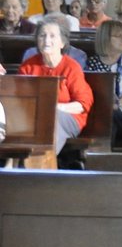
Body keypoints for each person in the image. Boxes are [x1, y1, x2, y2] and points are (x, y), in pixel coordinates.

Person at [18, 15, 92, 155]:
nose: (47, 40)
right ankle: (15, 165)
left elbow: (83, 104)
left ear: (62, 43)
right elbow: (21, 100)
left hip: (67, 118)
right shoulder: (28, 66)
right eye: (42, 36)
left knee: (51, 117)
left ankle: (42, 164)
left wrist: (55, 108)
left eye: (52, 36)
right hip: (33, 118)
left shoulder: (71, 67)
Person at [86, 19, 122, 137]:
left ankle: (102, 152)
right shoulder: (93, 62)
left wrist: (116, 105)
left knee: (109, 114)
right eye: (118, 36)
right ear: (105, 38)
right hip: (99, 110)